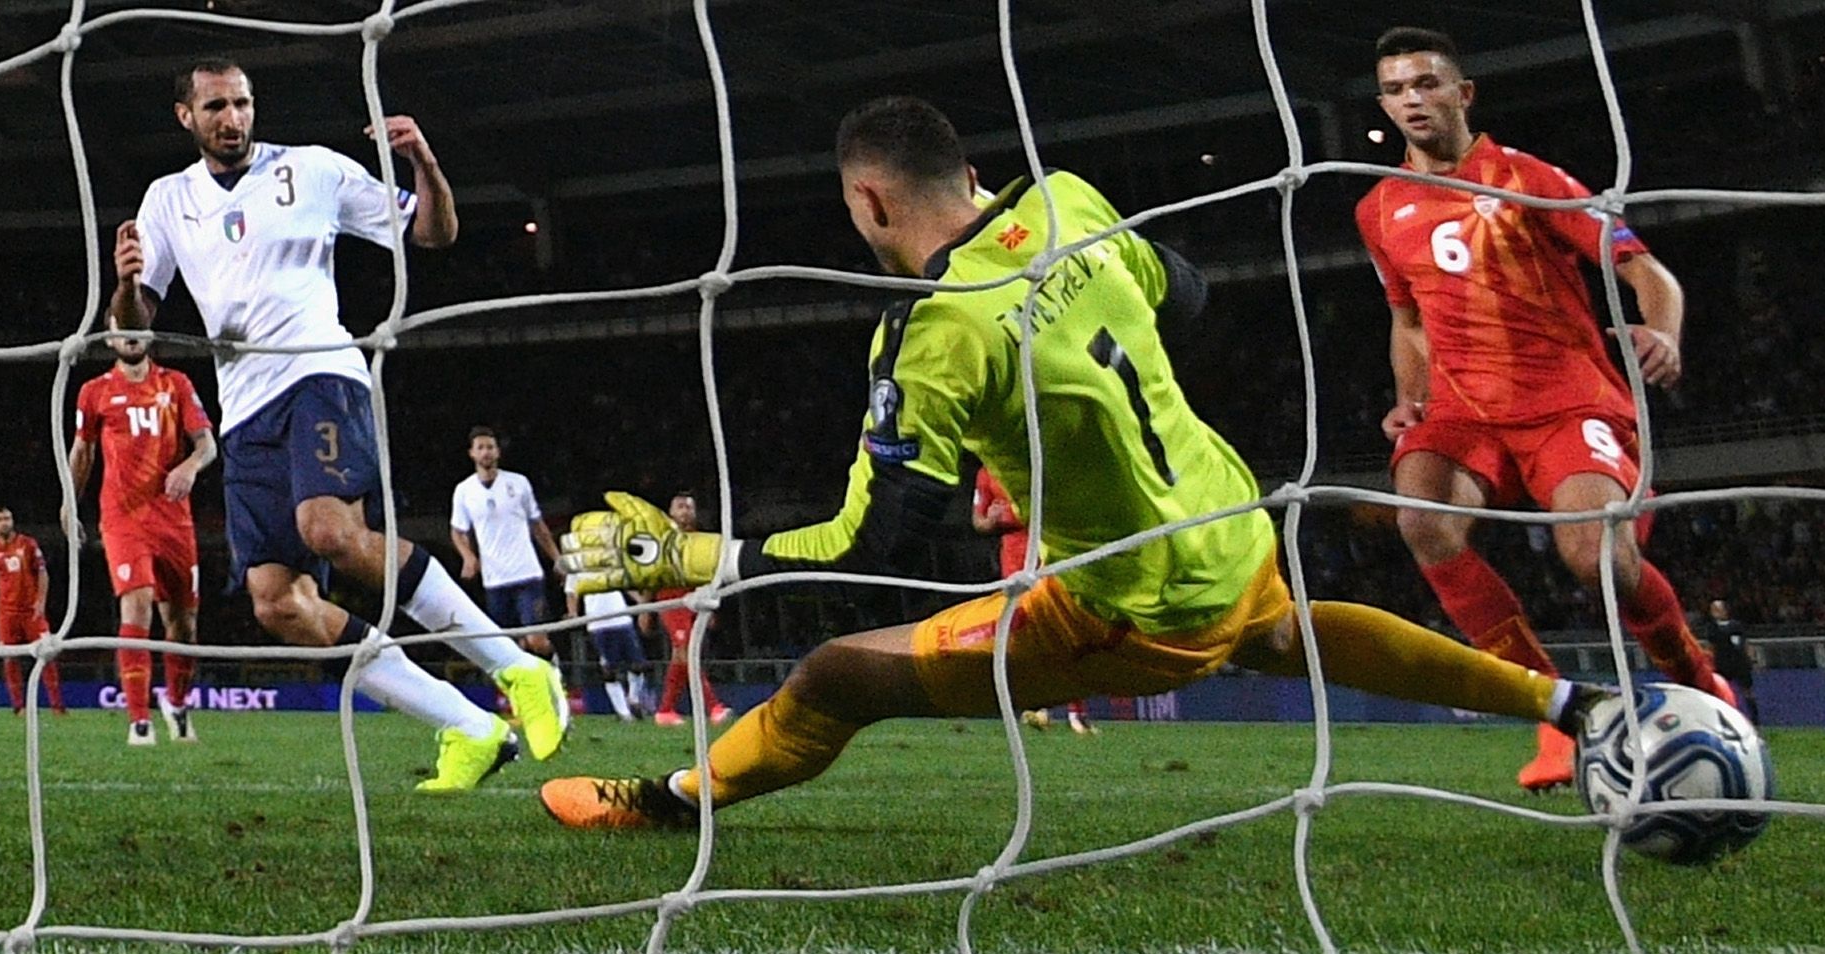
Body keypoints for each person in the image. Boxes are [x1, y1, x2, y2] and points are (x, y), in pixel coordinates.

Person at [539, 96, 1610, 830]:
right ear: (970, 170)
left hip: (1132, 602)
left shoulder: (933, 334)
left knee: (836, 675)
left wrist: (689, 555)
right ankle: (1571, 705)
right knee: (1284, 630)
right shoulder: (1068, 198)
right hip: (1228, 521)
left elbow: (873, 544)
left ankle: (670, 804)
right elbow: (1185, 294)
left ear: (868, 204)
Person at [109, 56, 567, 791]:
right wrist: (128, 281)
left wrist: (425, 162)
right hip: (246, 408)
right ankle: (468, 725)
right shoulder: (167, 200)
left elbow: (433, 233)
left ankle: (517, 667)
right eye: (217, 107)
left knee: (329, 530)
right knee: (278, 603)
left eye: (243, 103)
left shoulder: (315, 170)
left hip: (320, 372)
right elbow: (132, 332)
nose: (233, 119)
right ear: (186, 118)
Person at [1354, 27, 1728, 793]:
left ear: (1463, 94)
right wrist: (1409, 399)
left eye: (1426, 84)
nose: (1411, 101)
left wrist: (1662, 330)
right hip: (1464, 410)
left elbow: (1644, 269)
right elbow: (1410, 321)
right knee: (1419, 516)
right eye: (1395, 90)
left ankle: (1694, 673)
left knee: (1596, 559)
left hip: (1565, 400)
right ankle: (1557, 714)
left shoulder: (1529, 180)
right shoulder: (1380, 206)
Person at [68, 322, 216, 744]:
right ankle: (139, 720)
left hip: (174, 519)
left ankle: (178, 702)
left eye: (139, 328)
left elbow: (206, 444)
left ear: (151, 335)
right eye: (122, 330)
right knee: (137, 606)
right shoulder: (94, 391)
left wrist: (189, 467)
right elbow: (83, 451)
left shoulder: (177, 384)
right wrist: (69, 501)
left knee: (183, 623)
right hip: (122, 517)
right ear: (110, 340)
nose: (131, 337)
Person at [971, 465, 1094, 735]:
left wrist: (1017, 513)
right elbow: (978, 522)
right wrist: (991, 520)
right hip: (1014, 567)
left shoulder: (1039, 464)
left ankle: (1077, 712)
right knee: (1028, 635)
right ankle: (1039, 708)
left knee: (1065, 629)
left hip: (1051, 558)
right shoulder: (985, 473)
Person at [450, 426, 562, 659]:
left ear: (498, 452)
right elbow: (458, 531)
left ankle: (555, 669)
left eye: (490, 447)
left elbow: (538, 525)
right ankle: (522, 692)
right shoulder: (464, 491)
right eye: (480, 448)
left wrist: (557, 558)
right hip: (495, 580)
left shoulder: (519, 483)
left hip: (527, 574)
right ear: (472, 453)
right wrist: (468, 557)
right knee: (510, 646)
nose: (486, 452)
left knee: (536, 640)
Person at [649, 491, 732, 727]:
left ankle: (665, 710)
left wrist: (711, 607)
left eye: (689, 507)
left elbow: (705, 578)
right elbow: (649, 575)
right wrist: (645, 609)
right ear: (671, 513)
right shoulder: (661, 538)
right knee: (687, 650)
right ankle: (714, 707)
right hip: (670, 602)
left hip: (694, 601)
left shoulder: (699, 540)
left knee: (681, 656)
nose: (685, 512)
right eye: (680, 507)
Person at [0, 508, 65, 715]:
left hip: (32, 611)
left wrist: (41, 602)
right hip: (6, 612)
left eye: (7, 518)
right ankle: (18, 707)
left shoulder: (28, 544)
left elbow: (43, 573)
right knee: (9, 658)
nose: (4, 523)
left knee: (47, 654)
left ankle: (57, 706)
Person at [567, 575, 647, 722]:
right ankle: (623, 713)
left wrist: (639, 600)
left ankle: (634, 699)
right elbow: (571, 591)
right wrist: (573, 613)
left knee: (638, 664)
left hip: (622, 619)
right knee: (610, 669)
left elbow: (622, 581)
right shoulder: (578, 566)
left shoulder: (607, 559)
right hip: (598, 624)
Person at [1703, 599, 1759, 725]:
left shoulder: (1736, 625)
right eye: (1713, 609)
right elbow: (1710, 647)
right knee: (1722, 691)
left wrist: (1752, 660)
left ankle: (1755, 720)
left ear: (1725, 610)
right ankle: (1724, 719)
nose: (1715, 612)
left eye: (1718, 609)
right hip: (1722, 663)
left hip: (1740, 662)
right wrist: (1709, 663)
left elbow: (1745, 643)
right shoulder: (1712, 628)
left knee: (1747, 690)